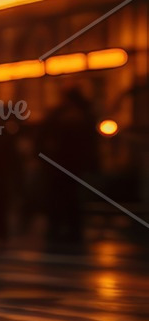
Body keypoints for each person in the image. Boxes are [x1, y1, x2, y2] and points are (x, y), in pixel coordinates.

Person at [38, 85, 99, 246]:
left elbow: (44, 138)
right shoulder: (82, 116)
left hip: (62, 165)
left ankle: (60, 230)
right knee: (68, 200)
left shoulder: (62, 116)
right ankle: (68, 231)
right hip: (68, 165)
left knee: (61, 199)